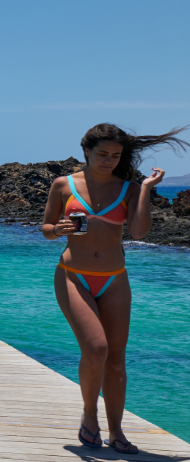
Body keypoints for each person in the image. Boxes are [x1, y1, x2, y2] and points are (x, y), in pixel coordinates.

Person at [41, 123, 186, 454]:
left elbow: (138, 233)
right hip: (72, 275)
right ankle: (89, 415)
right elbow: (47, 228)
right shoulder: (63, 185)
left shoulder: (130, 188)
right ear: (87, 152)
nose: (108, 161)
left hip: (114, 278)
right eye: (102, 154)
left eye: (115, 156)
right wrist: (57, 229)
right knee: (96, 349)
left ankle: (117, 432)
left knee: (116, 360)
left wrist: (146, 188)